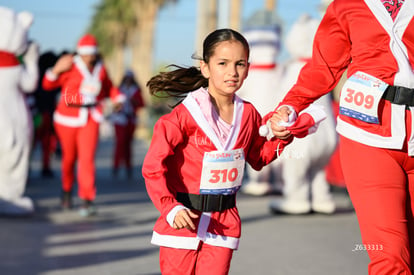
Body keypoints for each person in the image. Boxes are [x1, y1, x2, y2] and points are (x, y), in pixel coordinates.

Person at [142, 28, 325, 275]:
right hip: (182, 221)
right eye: (223, 63)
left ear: (248, 68)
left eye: (240, 64)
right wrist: (170, 208)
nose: (232, 72)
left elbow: (259, 158)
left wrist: (284, 136)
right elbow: (153, 168)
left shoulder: (248, 114)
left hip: (223, 224)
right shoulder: (182, 117)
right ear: (205, 68)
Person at [269, 0, 414, 273]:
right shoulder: (347, 5)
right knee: (390, 256)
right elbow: (323, 67)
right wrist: (290, 105)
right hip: (367, 138)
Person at [42, 34, 125, 217]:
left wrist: (117, 98)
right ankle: (66, 190)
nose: (88, 57)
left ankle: (87, 200)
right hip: (67, 118)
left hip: (91, 117)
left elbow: (109, 87)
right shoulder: (70, 64)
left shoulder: (101, 68)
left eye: (91, 54)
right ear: (79, 53)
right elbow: (47, 84)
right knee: (69, 159)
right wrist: (56, 69)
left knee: (87, 160)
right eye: (85, 54)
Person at [110, 70, 144, 178]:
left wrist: (134, 101)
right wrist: (118, 105)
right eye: (127, 78)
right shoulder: (119, 90)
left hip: (131, 120)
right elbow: (114, 105)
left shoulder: (136, 90)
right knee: (120, 142)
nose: (128, 80)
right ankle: (116, 166)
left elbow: (141, 104)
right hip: (120, 119)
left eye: (130, 78)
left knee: (128, 144)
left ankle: (128, 167)